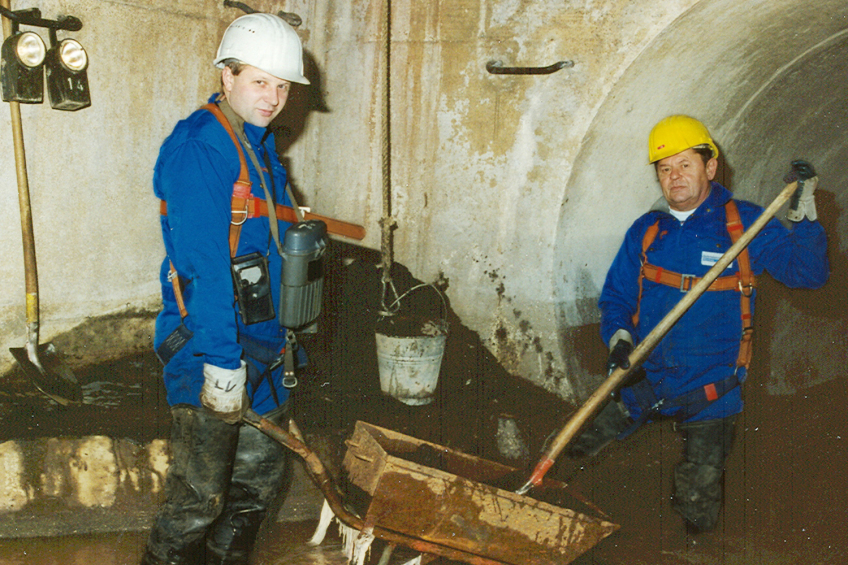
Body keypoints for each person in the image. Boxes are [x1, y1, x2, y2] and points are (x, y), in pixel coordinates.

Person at [570, 115, 829, 532]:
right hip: (643, 376)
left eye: (685, 164)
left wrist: (805, 220)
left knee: (696, 503)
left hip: (712, 389)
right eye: (665, 168)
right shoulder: (647, 230)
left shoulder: (746, 224)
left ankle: (693, 547)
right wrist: (618, 338)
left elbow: (808, 274)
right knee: (575, 448)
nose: (674, 177)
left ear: (710, 168)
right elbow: (616, 297)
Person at [142, 13, 311, 565]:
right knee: (199, 498)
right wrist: (220, 360)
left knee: (256, 489)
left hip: (266, 346)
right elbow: (201, 264)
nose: (274, 96)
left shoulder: (259, 146)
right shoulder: (200, 145)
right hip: (211, 345)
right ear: (227, 76)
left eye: (283, 85)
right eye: (260, 81)